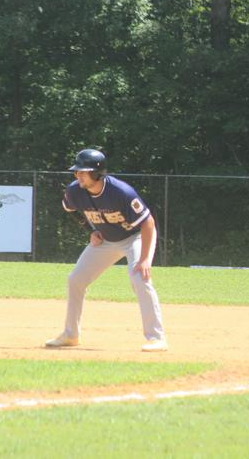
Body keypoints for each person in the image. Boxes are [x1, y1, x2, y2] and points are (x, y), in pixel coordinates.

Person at [45, 148, 168, 352]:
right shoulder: (75, 190)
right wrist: (90, 230)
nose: (78, 175)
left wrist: (145, 259)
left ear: (97, 173)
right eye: (77, 172)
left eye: (83, 171)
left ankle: (157, 338)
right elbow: (70, 210)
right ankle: (70, 335)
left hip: (134, 238)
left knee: (139, 278)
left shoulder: (121, 192)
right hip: (106, 241)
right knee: (76, 279)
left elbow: (148, 223)